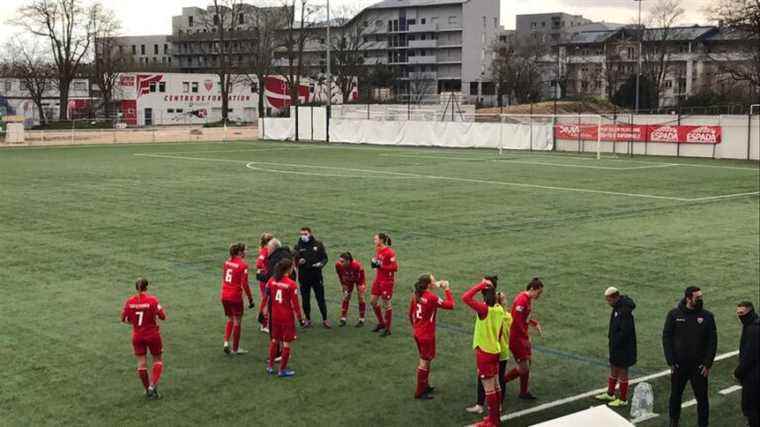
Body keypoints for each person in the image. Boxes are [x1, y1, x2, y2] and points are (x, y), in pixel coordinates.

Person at [662, 286, 717, 427]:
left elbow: (713, 341)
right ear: (688, 298)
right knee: (675, 397)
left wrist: (707, 364)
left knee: (702, 399)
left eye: (701, 297)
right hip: (679, 365)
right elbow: (666, 338)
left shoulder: (707, 316)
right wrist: (671, 361)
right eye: (697, 297)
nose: (700, 299)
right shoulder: (674, 315)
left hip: (699, 367)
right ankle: (673, 423)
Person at [466, 277, 512, 415]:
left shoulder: (485, 309)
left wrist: (479, 285)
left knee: (490, 386)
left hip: (486, 350)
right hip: (498, 348)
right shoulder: (499, 310)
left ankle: (492, 416)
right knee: (496, 383)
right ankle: (495, 411)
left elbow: (466, 297)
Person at [408, 274, 455, 400]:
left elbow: (410, 314)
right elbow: (451, 305)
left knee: (426, 359)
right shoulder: (432, 297)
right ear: (428, 284)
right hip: (427, 335)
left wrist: (416, 327)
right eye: (433, 280)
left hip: (418, 332)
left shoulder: (417, 295)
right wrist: (447, 289)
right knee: (424, 362)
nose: (435, 281)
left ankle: (425, 386)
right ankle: (419, 392)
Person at [121, 277, 166, 400]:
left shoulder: (129, 301)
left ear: (136, 288)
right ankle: (152, 386)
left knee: (141, 363)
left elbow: (124, 319)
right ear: (146, 287)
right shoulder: (153, 300)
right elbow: (163, 316)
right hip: (152, 335)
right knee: (157, 359)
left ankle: (147, 391)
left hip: (137, 336)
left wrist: (135, 323)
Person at [595, 287, 637, 407]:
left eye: (609, 300)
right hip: (616, 345)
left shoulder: (624, 310)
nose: (608, 303)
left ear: (615, 297)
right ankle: (610, 393)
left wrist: (616, 343)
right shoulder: (618, 307)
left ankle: (623, 399)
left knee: (623, 372)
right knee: (613, 368)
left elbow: (625, 332)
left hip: (624, 347)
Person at [262, 258, 304, 377]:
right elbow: (295, 304)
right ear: (289, 269)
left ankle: (270, 366)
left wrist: (263, 311)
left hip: (274, 316)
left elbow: (266, 296)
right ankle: (282, 370)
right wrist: (300, 319)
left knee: (274, 340)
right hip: (286, 318)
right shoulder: (291, 284)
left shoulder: (272, 280)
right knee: (286, 344)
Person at [504, 278, 544, 400]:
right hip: (517, 339)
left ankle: (523, 391)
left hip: (522, 338)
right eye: (539, 292)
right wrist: (526, 337)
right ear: (532, 289)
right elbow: (516, 321)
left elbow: (525, 317)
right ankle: (502, 382)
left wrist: (534, 323)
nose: (539, 295)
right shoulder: (521, 300)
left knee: (527, 364)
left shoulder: (527, 299)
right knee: (524, 367)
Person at [219, 242, 254, 355]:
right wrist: (250, 299)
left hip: (224, 295)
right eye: (245, 250)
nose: (246, 252)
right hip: (235, 296)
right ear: (240, 252)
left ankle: (225, 342)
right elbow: (245, 284)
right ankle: (235, 348)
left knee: (230, 319)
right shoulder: (243, 265)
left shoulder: (226, 262)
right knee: (238, 321)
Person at [293, 227, 330, 328]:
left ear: (310, 233)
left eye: (305, 234)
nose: (303, 236)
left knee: (320, 298)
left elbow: (325, 258)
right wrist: (299, 261)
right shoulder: (298, 246)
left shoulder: (318, 244)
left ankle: (325, 319)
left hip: (316, 275)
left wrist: (321, 264)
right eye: (301, 234)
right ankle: (308, 319)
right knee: (305, 299)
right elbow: (294, 259)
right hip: (304, 277)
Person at [734, 301, 759, 427]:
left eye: (742, 313)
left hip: (753, 377)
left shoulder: (752, 330)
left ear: (750, 311)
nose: (740, 316)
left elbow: (749, 357)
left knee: (750, 407)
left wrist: (738, 373)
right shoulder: (753, 325)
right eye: (738, 313)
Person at [370, 233, 398, 337]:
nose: (374, 241)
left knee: (386, 304)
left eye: (375, 239)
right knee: (373, 302)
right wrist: (375, 262)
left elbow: (395, 267)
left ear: (381, 240)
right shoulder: (378, 249)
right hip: (378, 279)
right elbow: (378, 262)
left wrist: (381, 266)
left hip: (387, 281)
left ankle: (388, 329)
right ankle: (381, 323)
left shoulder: (390, 252)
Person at [335, 252, 367, 327]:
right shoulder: (338, 265)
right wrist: (343, 284)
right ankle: (343, 319)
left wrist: (361, 287)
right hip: (348, 280)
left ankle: (361, 319)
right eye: (340, 260)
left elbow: (361, 278)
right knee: (346, 296)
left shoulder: (357, 266)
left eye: (342, 261)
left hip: (358, 279)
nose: (340, 262)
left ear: (348, 261)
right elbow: (340, 275)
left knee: (361, 297)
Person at [255, 233, 274, 333]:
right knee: (267, 302)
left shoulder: (265, 249)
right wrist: (264, 270)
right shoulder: (265, 250)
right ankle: (264, 324)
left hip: (266, 278)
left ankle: (265, 323)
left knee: (266, 301)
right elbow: (258, 263)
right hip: (266, 279)